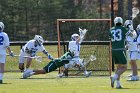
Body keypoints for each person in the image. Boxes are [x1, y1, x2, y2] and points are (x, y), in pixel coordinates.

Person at [109, 17, 129, 89]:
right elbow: (131, 34)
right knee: (124, 67)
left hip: (113, 50)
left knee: (119, 67)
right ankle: (114, 78)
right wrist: (129, 27)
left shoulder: (111, 29)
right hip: (121, 49)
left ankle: (118, 84)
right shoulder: (123, 29)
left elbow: (110, 38)